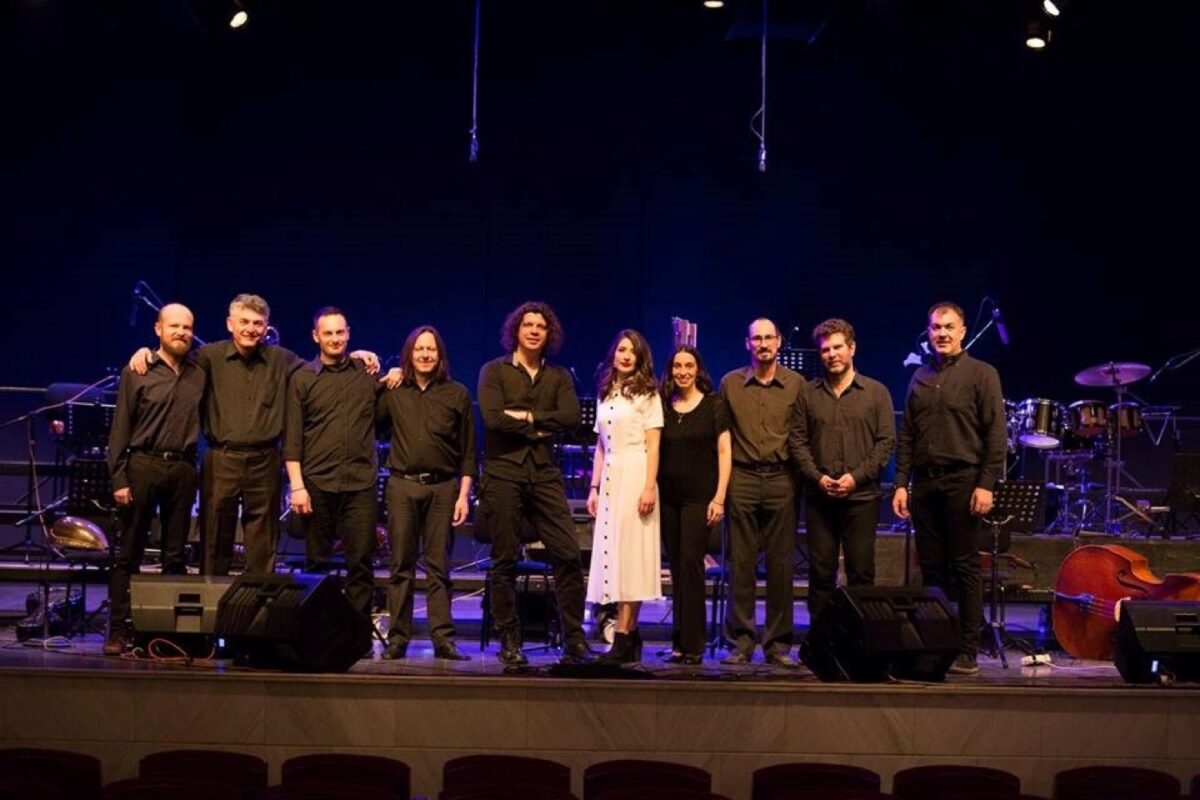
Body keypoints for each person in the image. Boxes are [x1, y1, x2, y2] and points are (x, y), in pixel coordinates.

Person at [130, 293, 381, 576]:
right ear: (230, 324)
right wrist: (147, 353)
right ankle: (216, 603)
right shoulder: (209, 356)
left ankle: (257, 603)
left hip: (265, 460)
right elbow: (173, 358)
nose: (251, 328)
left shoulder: (282, 359)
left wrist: (355, 356)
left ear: (266, 327)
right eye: (244, 322)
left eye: (258, 323)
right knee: (215, 538)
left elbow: (323, 365)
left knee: (262, 544)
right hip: (222, 459)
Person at [892, 301, 1007, 676]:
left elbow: (996, 434)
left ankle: (968, 649)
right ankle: (934, 644)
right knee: (931, 569)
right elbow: (907, 435)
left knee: (964, 566)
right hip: (925, 483)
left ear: (962, 332)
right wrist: (901, 483)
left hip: (963, 480)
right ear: (928, 332)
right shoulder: (920, 376)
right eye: (935, 327)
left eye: (948, 327)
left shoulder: (982, 374)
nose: (941, 333)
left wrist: (986, 484)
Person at [476, 300, 592, 665]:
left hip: (544, 473)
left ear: (549, 334)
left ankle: (574, 639)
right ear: (516, 330)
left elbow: (571, 417)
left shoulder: (558, 376)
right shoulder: (494, 371)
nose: (534, 331)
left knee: (568, 554)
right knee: (504, 558)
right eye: (528, 325)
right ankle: (509, 640)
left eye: (541, 326)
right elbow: (493, 419)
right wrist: (540, 425)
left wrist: (524, 416)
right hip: (504, 472)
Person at [105, 303, 205, 655]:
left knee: (175, 556)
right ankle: (119, 630)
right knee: (128, 553)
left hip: (182, 469)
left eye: (187, 327)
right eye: (174, 326)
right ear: (158, 329)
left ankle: (166, 634)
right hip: (142, 466)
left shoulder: (200, 372)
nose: (181, 332)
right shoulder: (138, 369)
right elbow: (120, 429)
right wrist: (119, 478)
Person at [377, 325, 476, 661]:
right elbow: (369, 420)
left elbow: (468, 450)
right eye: (419, 349)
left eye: (431, 349)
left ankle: (443, 640)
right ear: (409, 353)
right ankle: (398, 639)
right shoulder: (395, 390)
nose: (425, 354)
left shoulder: (456, 393)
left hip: (443, 487)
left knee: (439, 568)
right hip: (402, 485)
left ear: (439, 355)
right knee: (400, 566)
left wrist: (464, 495)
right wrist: (383, 380)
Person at [791, 318, 895, 623]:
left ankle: (861, 640)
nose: (832, 354)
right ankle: (822, 641)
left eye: (838, 347)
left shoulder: (876, 392)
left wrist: (856, 478)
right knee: (821, 573)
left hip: (862, 499)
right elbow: (797, 442)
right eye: (825, 350)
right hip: (819, 499)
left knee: (861, 573)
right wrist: (817, 477)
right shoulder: (807, 393)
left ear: (852, 348)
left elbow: (886, 443)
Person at [284, 307, 381, 628]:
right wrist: (297, 486)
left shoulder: (365, 372)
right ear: (316, 337)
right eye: (328, 333)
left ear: (348, 333)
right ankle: (319, 633)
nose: (335, 338)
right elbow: (293, 438)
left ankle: (356, 634)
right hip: (317, 484)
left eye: (340, 332)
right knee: (317, 563)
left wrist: (395, 372)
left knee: (361, 563)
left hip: (360, 484)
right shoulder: (302, 379)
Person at [719, 317, 806, 666]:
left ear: (779, 341)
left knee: (781, 565)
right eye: (757, 339)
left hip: (782, 479)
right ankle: (740, 642)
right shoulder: (730, 383)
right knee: (740, 563)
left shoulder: (796, 384)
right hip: (742, 477)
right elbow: (721, 439)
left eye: (769, 338)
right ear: (747, 343)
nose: (764, 344)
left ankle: (778, 645)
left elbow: (802, 435)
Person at [585, 329, 664, 664]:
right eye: (621, 349)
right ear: (613, 354)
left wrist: (649, 486)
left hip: (635, 472)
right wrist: (593, 487)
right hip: (611, 478)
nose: (627, 355)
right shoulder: (606, 392)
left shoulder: (648, 394)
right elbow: (601, 446)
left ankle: (623, 633)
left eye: (633, 351)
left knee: (631, 557)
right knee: (613, 556)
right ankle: (629, 637)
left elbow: (654, 445)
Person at [657, 345, 730, 665]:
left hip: (699, 498)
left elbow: (725, 452)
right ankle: (678, 642)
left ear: (698, 369)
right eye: (677, 366)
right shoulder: (663, 406)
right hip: (668, 498)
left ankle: (694, 645)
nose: (683, 372)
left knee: (691, 566)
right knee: (676, 568)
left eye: (689, 366)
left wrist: (719, 497)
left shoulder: (714, 405)